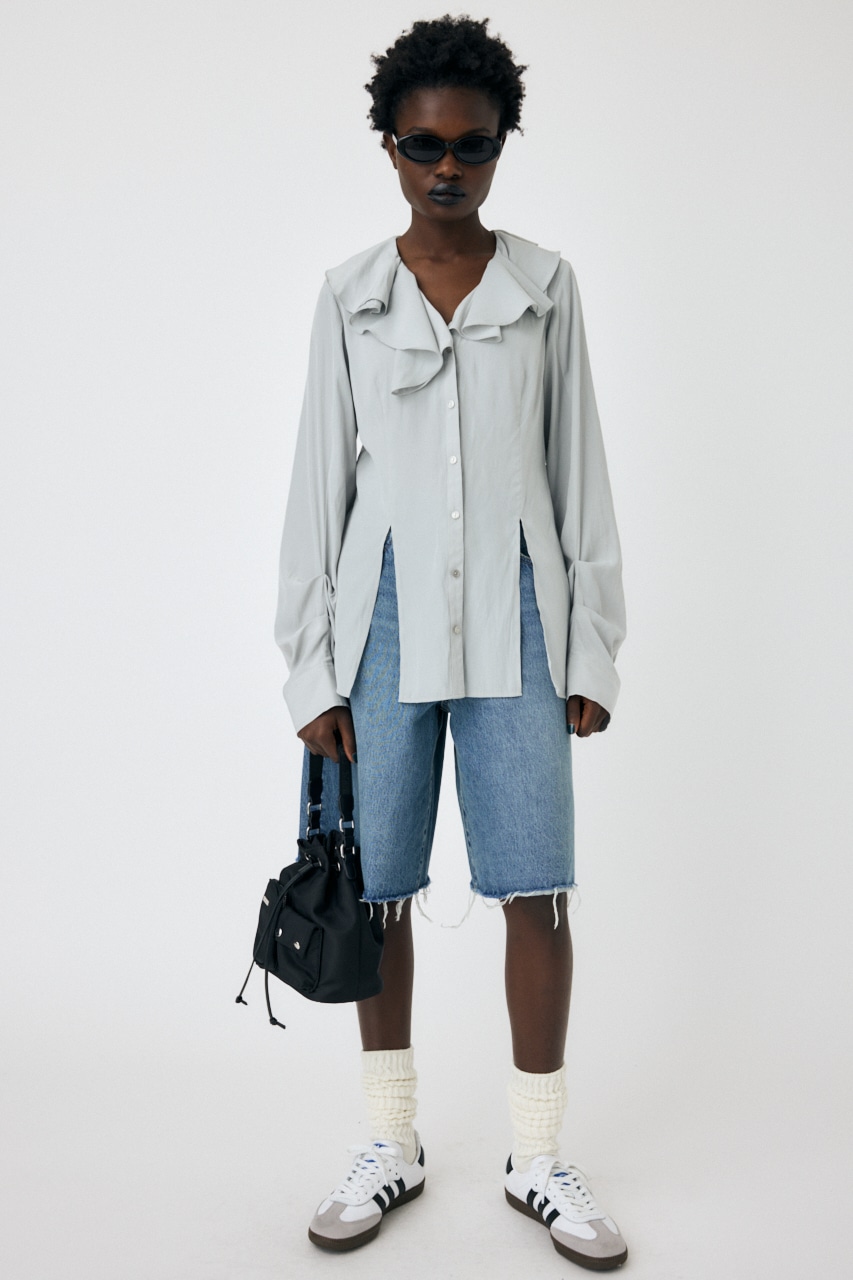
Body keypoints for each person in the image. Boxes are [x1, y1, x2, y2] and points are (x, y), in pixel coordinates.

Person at [274, 14, 627, 1271]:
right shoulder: (349, 296)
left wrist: (592, 647)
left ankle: (536, 1155)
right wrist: (310, 665)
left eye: (471, 145)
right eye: (423, 144)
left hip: (523, 623)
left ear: (499, 146)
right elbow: (318, 485)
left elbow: (578, 469)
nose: (446, 167)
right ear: (389, 144)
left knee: (537, 884)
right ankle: (391, 1139)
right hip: (377, 628)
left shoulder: (546, 288)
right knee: (377, 890)